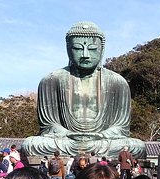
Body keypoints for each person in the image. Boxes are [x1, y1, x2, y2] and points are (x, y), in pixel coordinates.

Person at [22, 21, 146, 159]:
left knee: (137, 146)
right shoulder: (51, 80)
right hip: (67, 140)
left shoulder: (117, 82)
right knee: (31, 144)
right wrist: (67, 134)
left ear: (102, 50)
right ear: (68, 49)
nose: (85, 54)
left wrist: (102, 135)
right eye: (77, 48)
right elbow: (48, 125)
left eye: (92, 49)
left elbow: (121, 127)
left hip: (103, 141)